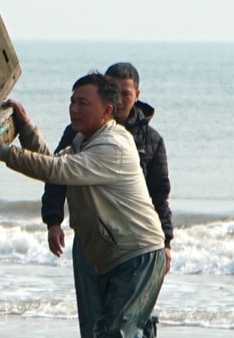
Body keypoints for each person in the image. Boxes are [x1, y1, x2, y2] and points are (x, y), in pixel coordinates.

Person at [0, 74, 206, 338]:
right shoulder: (84, 140)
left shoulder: (113, 144)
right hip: (104, 255)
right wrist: (27, 130)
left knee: (115, 334)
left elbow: (58, 169)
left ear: (107, 110)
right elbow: (57, 165)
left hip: (138, 253)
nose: (75, 108)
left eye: (84, 103)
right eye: (72, 101)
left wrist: (3, 150)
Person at [41, 62, 170, 259]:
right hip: (90, 237)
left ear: (137, 95)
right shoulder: (79, 131)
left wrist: (166, 244)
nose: (118, 100)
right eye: (113, 91)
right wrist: (53, 222)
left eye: (125, 93)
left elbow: (159, 195)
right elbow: (56, 173)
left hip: (132, 244)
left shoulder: (151, 140)